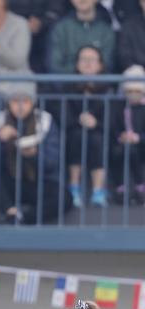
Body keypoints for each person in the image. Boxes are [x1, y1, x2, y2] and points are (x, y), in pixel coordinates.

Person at [0, 80, 63, 224]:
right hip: (8, 182)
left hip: (37, 181)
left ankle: (24, 217)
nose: (19, 106)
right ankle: (9, 209)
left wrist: (34, 156)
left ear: (32, 103)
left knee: (63, 197)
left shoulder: (45, 121)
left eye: (25, 101)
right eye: (15, 101)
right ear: (8, 104)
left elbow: (53, 162)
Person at [64, 45, 111, 208]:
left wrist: (96, 122)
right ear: (77, 64)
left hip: (100, 131)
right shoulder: (67, 86)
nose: (88, 63)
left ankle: (98, 191)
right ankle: (74, 187)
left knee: (96, 139)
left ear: (100, 65)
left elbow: (113, 119)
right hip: (74, 130)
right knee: (77, 136)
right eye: (83, 59)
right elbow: (63, 114)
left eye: (92, 60)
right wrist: (79, 120)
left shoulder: (109, 88)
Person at [48, 0, 115, 74]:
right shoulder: (60, 29)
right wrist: (78, 70)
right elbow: (55, 65)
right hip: (68, 83)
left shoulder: (106, 31)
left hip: (100, 84)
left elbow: (108, 65)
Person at [113, 66, 145, 204]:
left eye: (136, 91)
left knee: (134, 151)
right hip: (123, 144)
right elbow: (113, 126)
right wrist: (122, 136)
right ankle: (121, 187)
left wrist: (138, 138)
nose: (133, 94)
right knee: (120, 151)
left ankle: (140, 185)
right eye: (129, 91)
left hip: (141, 145)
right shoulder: (119, 107)